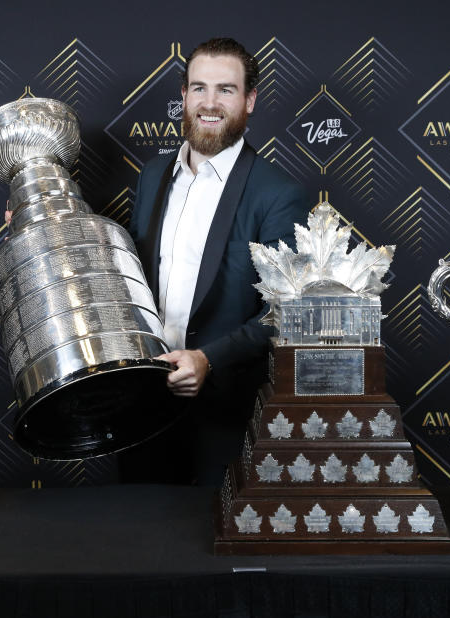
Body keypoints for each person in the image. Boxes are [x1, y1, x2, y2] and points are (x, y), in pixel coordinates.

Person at [122, 37, 309, 485]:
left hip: (224, 411)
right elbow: (127, 268)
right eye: (198, 88)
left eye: (225, 89)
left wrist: (207, 359)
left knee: (209, 542)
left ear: (249, 100)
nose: (210, 102)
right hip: (141, 401)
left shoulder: (278, 194)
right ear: (183, 96)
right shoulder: (152, 175)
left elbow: (284, 313)